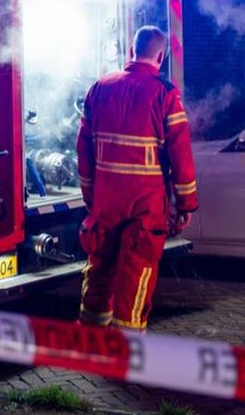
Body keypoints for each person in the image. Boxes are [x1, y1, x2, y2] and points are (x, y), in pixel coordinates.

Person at [75, 26, 197, 331]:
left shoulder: (100, 88)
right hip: (145, 204)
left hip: (106, 201)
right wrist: (185, 205)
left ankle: (91, 335)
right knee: (137, 271)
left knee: (100, 265)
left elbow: (84, 150)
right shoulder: (166, 95)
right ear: (160, 56)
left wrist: (91, 197)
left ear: (132, 51)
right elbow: (180, 156)